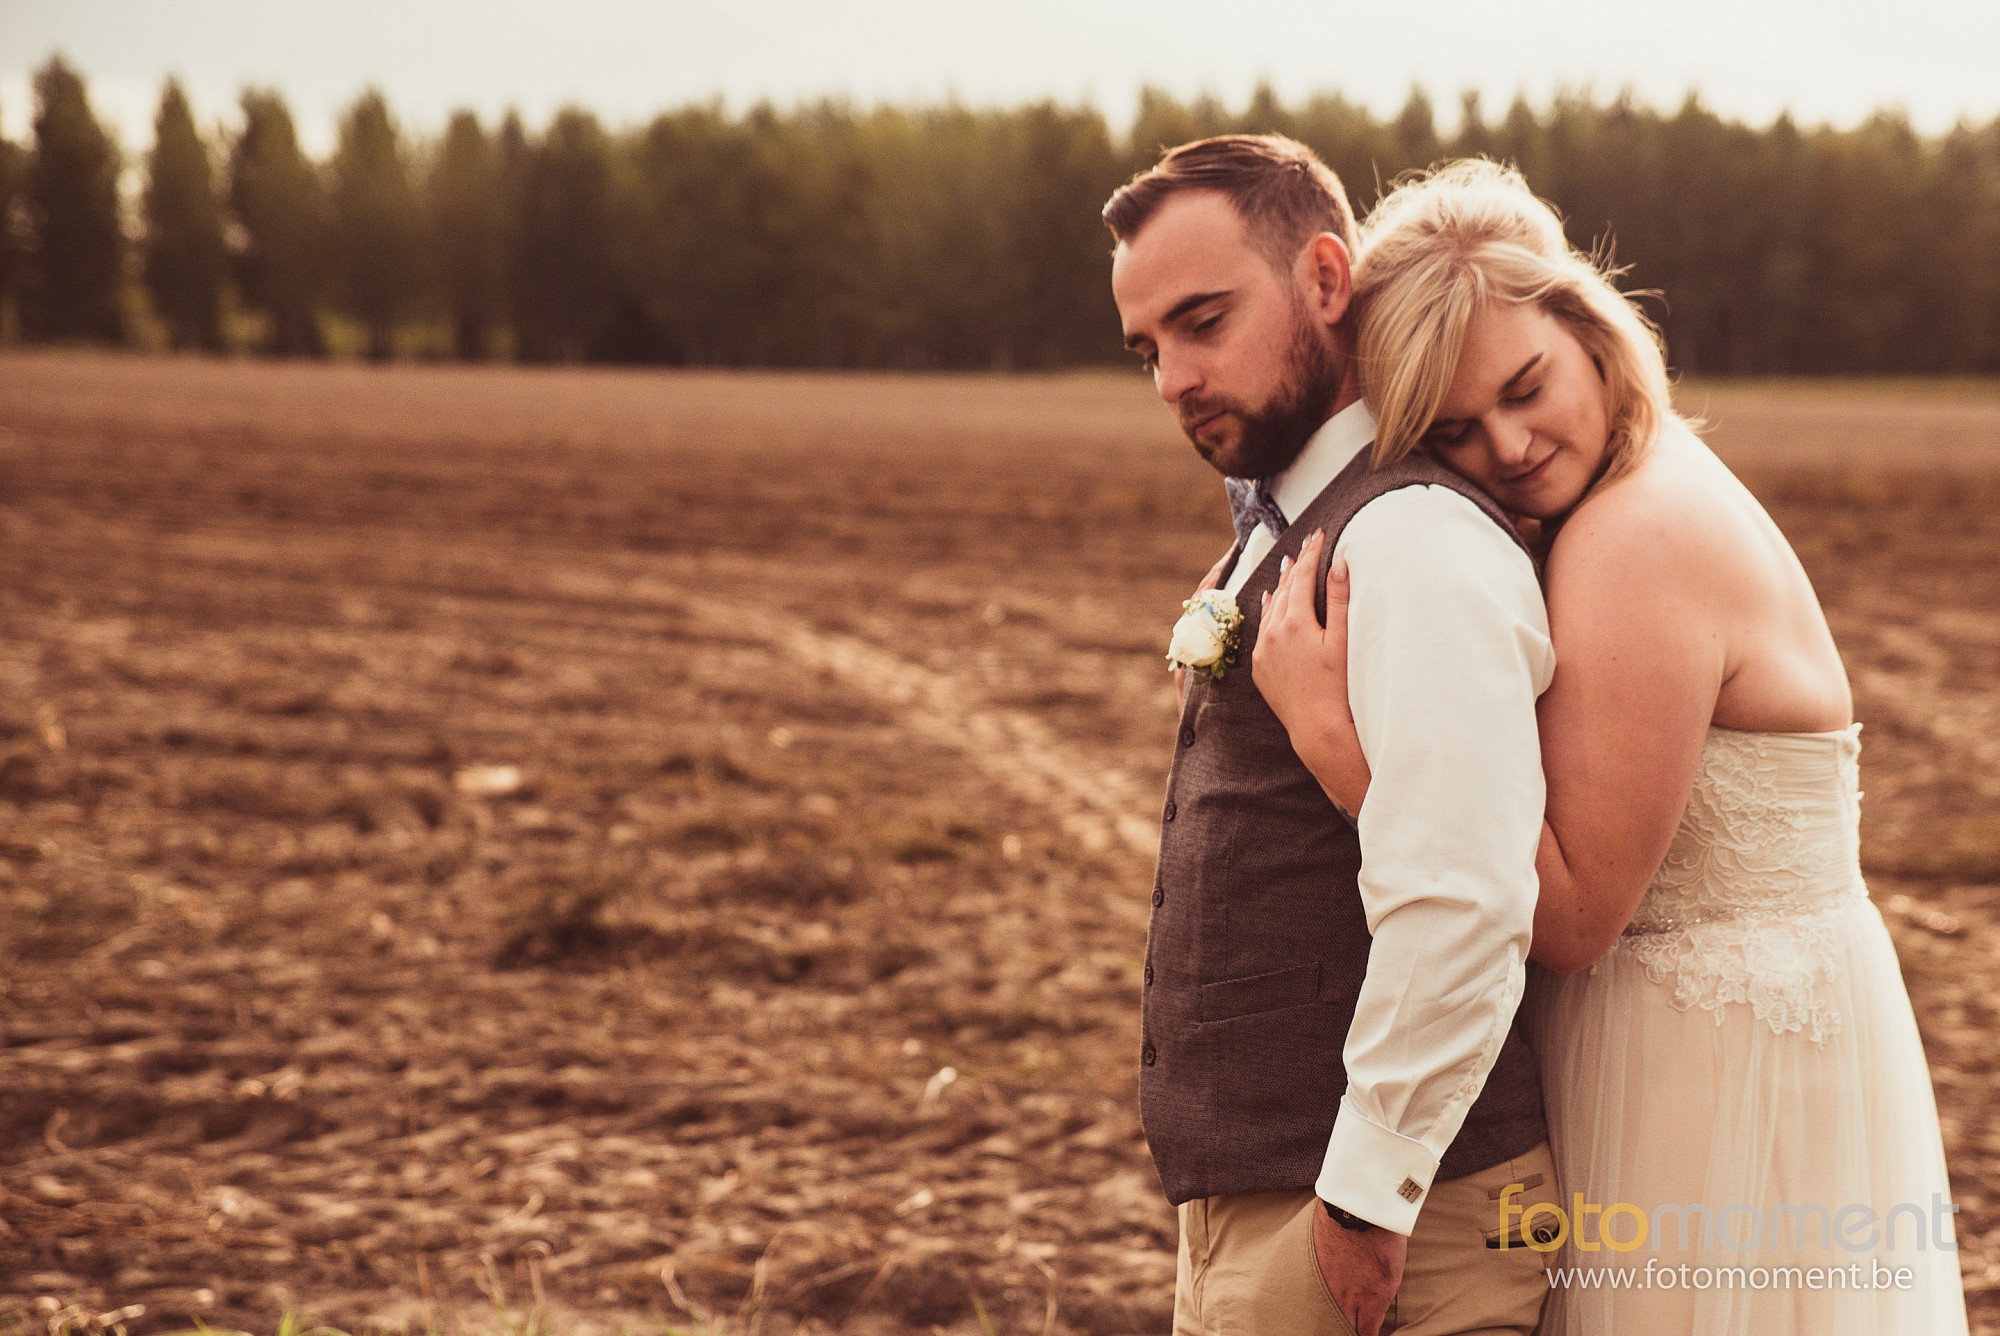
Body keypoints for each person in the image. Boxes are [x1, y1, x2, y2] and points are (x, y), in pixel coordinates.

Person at [1253, 159, 1970, 1335]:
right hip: (1734, 1031)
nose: (1508, 444)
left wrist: (1339, 750)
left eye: (1524, 386)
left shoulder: (1632, 538)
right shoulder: (1645, 475)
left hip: (1707, 1063)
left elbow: (1577, 916)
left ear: (1587, 325)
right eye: (1453, 431)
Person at [1104, 135, 1562, 1336]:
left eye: (1203, 322)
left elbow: (1460, 891)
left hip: (1401, 1227)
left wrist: (1365, 1198)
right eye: (1146, 350)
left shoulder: (1410, 535)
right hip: (1285, 1205)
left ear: (1321, 278)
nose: (1173, 379)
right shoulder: (1294, 520)